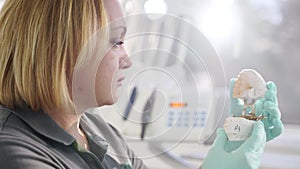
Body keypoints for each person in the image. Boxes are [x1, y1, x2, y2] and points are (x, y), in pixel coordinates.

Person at [0, 0, 283, 169]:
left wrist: (237, 140)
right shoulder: (13, 150)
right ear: (62, 50)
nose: (128, 60)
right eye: (117, 42)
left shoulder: (99, 132)